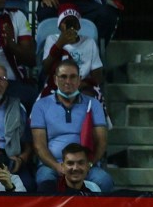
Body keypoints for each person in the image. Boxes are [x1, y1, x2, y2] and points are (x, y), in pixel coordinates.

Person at [30, 59, 113, 191]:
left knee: (104, 181)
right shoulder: (41, 105)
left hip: (85, 164)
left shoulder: (94, 104)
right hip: (52, 164)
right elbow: (39, 145)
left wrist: (88, 165)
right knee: (45, 181)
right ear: (55, 79)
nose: (68, 81)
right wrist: (57, 166)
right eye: (63, 76)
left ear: (79, 79)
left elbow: (102, 142)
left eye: (73, 76)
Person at [29, 0, 120, 48]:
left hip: (83, 3)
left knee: (107, 15)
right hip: (56, 2)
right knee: (45, 13)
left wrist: (103, 1)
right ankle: (48, 56)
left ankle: (93, 55)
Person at [0, 0, 36, 111]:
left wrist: (11, 44)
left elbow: (31, 60)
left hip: (12, 81)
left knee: (32, 97)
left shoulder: (17, 16)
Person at [0, 60, 33, 191]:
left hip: (11, 158)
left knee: (28, 185)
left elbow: (28, 143)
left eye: (1, 79)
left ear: (7, 83)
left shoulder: (18, 107)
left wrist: (22, 159)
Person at [40, 6, 103, 97]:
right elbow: (45, 69)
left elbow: (98, 77)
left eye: (74, 23)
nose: (71, 27)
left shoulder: (89, 42)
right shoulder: (52, 40)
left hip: (83, 86)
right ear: (60, 26)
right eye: (67, 23)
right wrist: (59, 44)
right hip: (57, 85)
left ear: (79, 26)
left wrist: (82, 84)